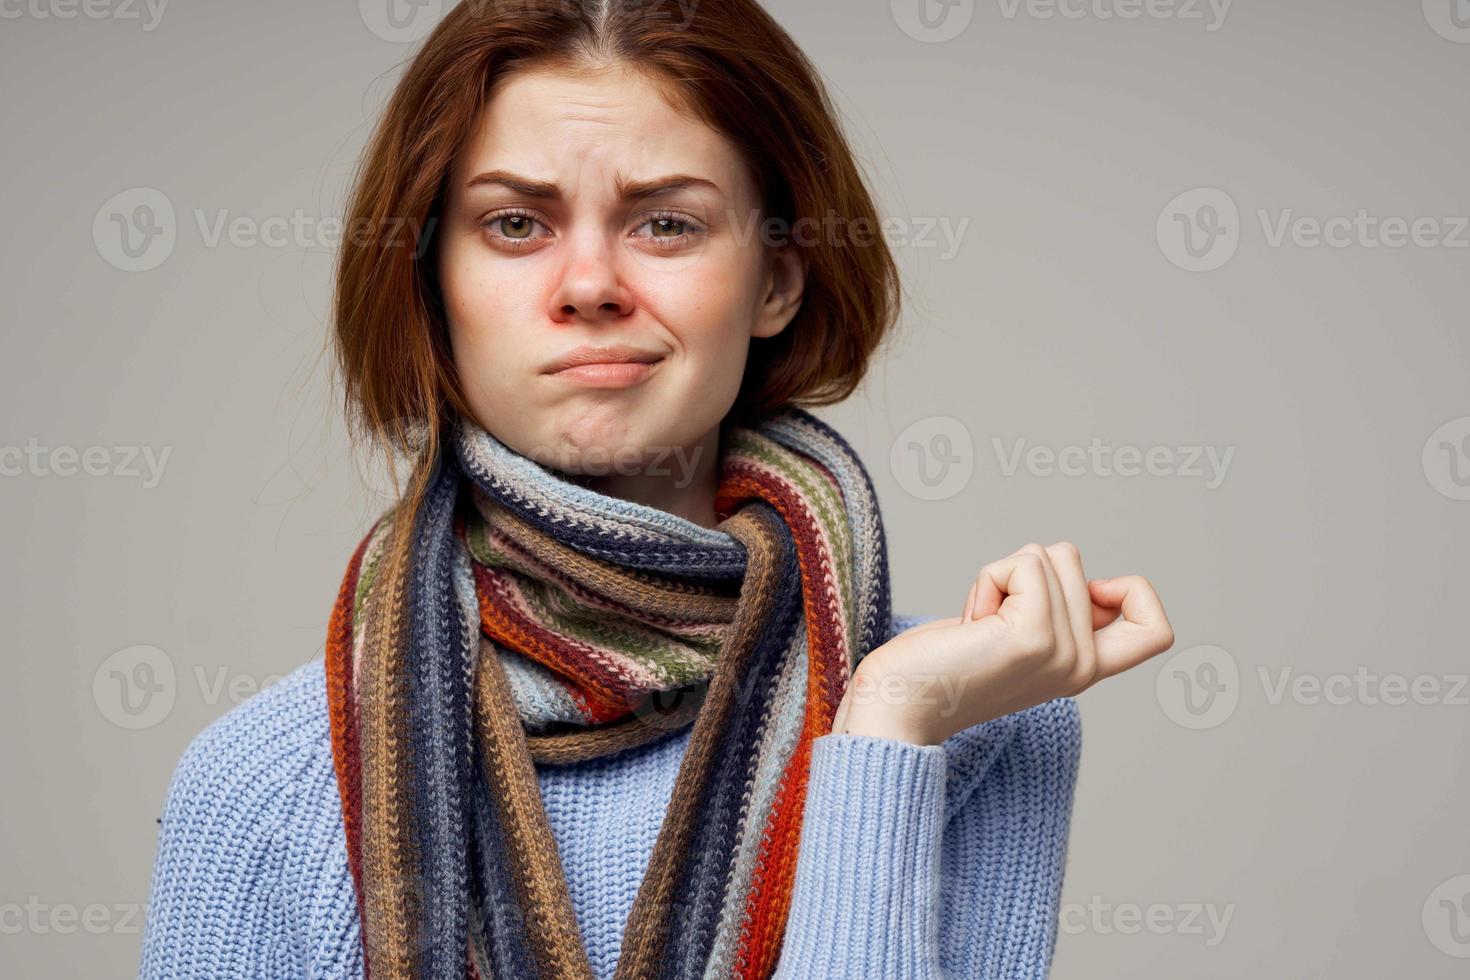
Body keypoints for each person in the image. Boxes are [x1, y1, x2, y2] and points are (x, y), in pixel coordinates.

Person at [138, 1, 1174, 978]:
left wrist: (890, 731)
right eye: (514, 224)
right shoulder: (260, 788)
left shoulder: (977, 718)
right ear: (430, 280)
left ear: (777, 278)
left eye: (666, 224)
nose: (590, 284)